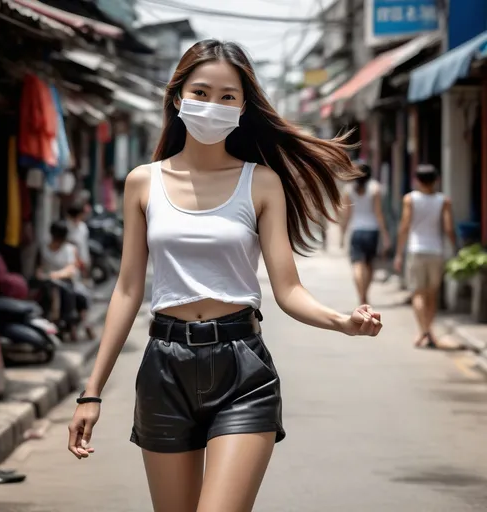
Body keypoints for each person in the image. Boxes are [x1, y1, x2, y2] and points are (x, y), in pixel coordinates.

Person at [67, 40, 383, 512]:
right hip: (163, 369)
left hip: (242, 371)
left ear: (243, 107)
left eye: (228, 96)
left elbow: (289, 289)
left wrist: (342, 321)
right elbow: (128, 290)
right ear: (178, 98)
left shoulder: (262, 182)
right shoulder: (142, 182)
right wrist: (91, 393)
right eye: (201, 92)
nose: (212, 105)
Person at [394, 164, 456, 348]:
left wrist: (398, 253)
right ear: (436, 180)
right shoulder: (443, 200)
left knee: (417, 293)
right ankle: (429, 332)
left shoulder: (410, 199)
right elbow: (448, 228)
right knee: (431, 295)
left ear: (417, 180)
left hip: (415, 250)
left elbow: (404, 226)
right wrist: (454, 248)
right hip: (436, 251)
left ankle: (423, 331)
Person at [340, 160, 391, 305]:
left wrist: (343, 233)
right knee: (369, 265)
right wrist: (385, 235)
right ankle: (365, 294)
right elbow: (378, 213)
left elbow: (346, 214)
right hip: (372, 230)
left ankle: (361, 295)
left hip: (356, 230)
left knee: (357, 264)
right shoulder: (375, 188)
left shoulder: (348, 189)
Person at [37, 221, 93, 341]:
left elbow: (70, 269)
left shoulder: (69, 249)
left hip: (68, 283)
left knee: (80, 296)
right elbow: (39, 269)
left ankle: (83, 325)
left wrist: (55, 275)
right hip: (48, 284)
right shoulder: (44, 249)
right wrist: (43, 276)